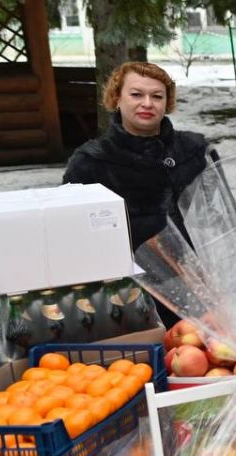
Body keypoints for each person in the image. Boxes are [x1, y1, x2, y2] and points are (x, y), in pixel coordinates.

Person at [63, 62, 209, 326]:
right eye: (136, 94)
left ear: (168, 102)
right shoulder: (91, 161)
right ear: (116, 98)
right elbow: (75, 237)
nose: (147, 103)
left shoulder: (194, 150)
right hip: (128, 296)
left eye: (157, 96)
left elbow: (217, 218)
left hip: (198, 289)